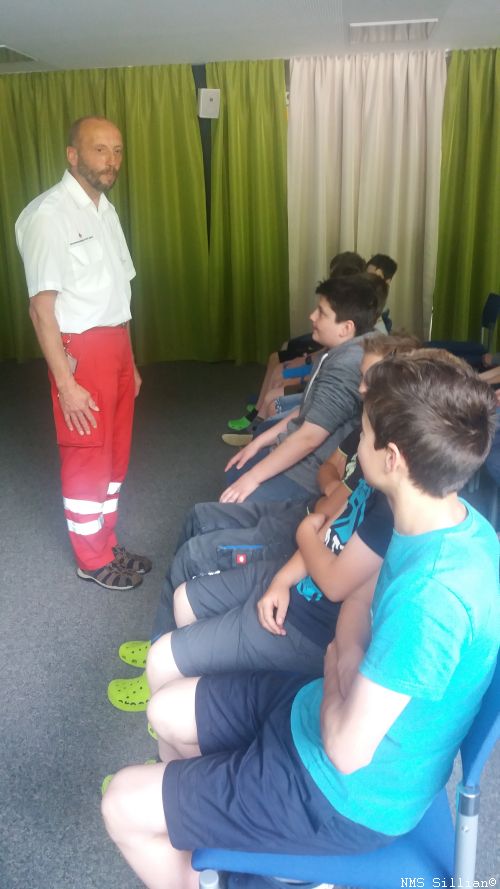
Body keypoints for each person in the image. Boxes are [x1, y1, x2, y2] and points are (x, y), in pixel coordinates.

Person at [102, 352, 498, 889]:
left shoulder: (434, 598)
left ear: (393, 458)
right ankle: (226, 846)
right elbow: (355, 605)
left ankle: (224, 851)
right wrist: (345, 661)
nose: (355, 443)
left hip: (347, 796)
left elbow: (345, 749)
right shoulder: (452, 521)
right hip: (315, 711)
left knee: (121, 803)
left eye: (363, 433)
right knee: (165, 708)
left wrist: (342, 659)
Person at [106, 334, 418, 711]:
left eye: (369, 378)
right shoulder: (368, 437)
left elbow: (329, 533)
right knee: (197, 516)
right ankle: (164, 639)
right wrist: (323, 503)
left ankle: (169, 662)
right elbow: (329, 478)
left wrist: (312, 523)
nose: (361, 386)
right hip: (306, 529)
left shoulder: (388, 492)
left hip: (304, 557)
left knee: (195, 556)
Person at [15, 116, 150, 590]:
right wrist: (66, 385)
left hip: (116, 346)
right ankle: (90, 558)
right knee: (87, 454)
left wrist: (131, 361)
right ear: (73, 155)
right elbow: (40, 311)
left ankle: (106, 542)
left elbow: (118, 293)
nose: (112, 160)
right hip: (81, 353)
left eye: (117, 150)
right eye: (99, 149)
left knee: (114, 455)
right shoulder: (48, 215)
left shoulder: (105, 210)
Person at [219, 274, 379, 503]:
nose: (312, 316)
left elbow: (310, 438)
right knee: (238, 468)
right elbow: (308, 410)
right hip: (302, 448)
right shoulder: (341, 349)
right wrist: (259, 442)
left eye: (321, 312)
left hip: (309, 472)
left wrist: (252, 478)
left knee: (238, 483)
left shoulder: (347, 364)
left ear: (346, 328)